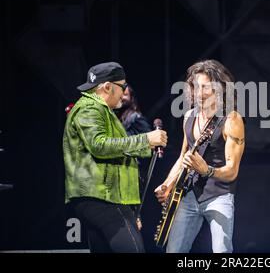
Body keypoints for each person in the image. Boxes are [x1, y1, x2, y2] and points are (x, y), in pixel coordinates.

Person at [63, 62, 167, 253]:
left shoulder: (102, 111)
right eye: (123, 86)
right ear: (107, 87)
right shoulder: (90, 109)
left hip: (106, 197)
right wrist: (146, 140)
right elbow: (100, 146)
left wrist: (148, 145)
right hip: (103, 198)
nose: (125, 91)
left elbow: (116, 148)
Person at [154, 59, 245, 253]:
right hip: (189, 194)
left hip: (219, 195)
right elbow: (184, 157)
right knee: (174, 251)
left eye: (205, 87)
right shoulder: (189, 116)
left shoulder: (232, 119)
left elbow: (232, 171)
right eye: (195, 87)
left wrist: (207, 170)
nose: (199, 93)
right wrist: (167, 184)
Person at [115, 84, 152, 231]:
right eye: (120, 94)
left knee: (133, 216)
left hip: (134, 174)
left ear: (132, 98)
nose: (122, 98)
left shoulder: (136, 118)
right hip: (122, 174)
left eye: (125, 95)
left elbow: (151, 141)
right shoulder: (119, 118)